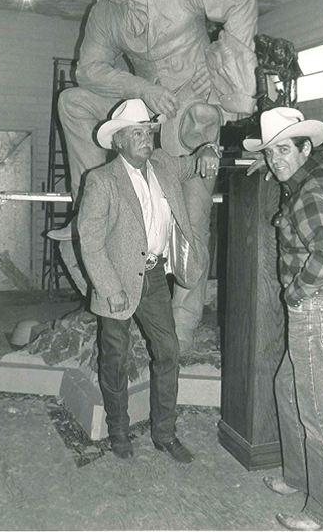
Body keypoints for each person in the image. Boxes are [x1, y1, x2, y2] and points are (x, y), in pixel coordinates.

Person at [51, 0, 258, 353]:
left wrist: (218, 60)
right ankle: (95, 196)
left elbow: (242, 4)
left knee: (192, 222)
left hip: (195, 115)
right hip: (146, 105)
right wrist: (141, 89)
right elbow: (88, 69)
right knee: (72, 102)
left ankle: (182, 330)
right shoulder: (104, 13)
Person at [77, 98, 221, 462]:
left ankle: (165, 433)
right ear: (119, 142)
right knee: (115, 358)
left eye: (147, 131)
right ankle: (119, 432)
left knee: (168, 350)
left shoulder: (163, 165)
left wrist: (207, 148)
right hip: (117, 281)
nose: (145, 138)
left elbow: (195, 163)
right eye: (136, 133)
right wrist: (110, 290)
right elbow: (90, 241)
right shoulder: (101, 181)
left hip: (154, 276)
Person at [243, 107, 323, 531]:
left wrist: (293, 292)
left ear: (305, 147)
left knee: (317, 415)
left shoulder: (308, 194)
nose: (275, 160)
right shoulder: (314, 174)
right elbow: (304, 163)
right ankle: (297, 477)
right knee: (285, 388)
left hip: (315, 309)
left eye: (283, 151)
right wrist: (276, 164)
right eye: (270, 152)